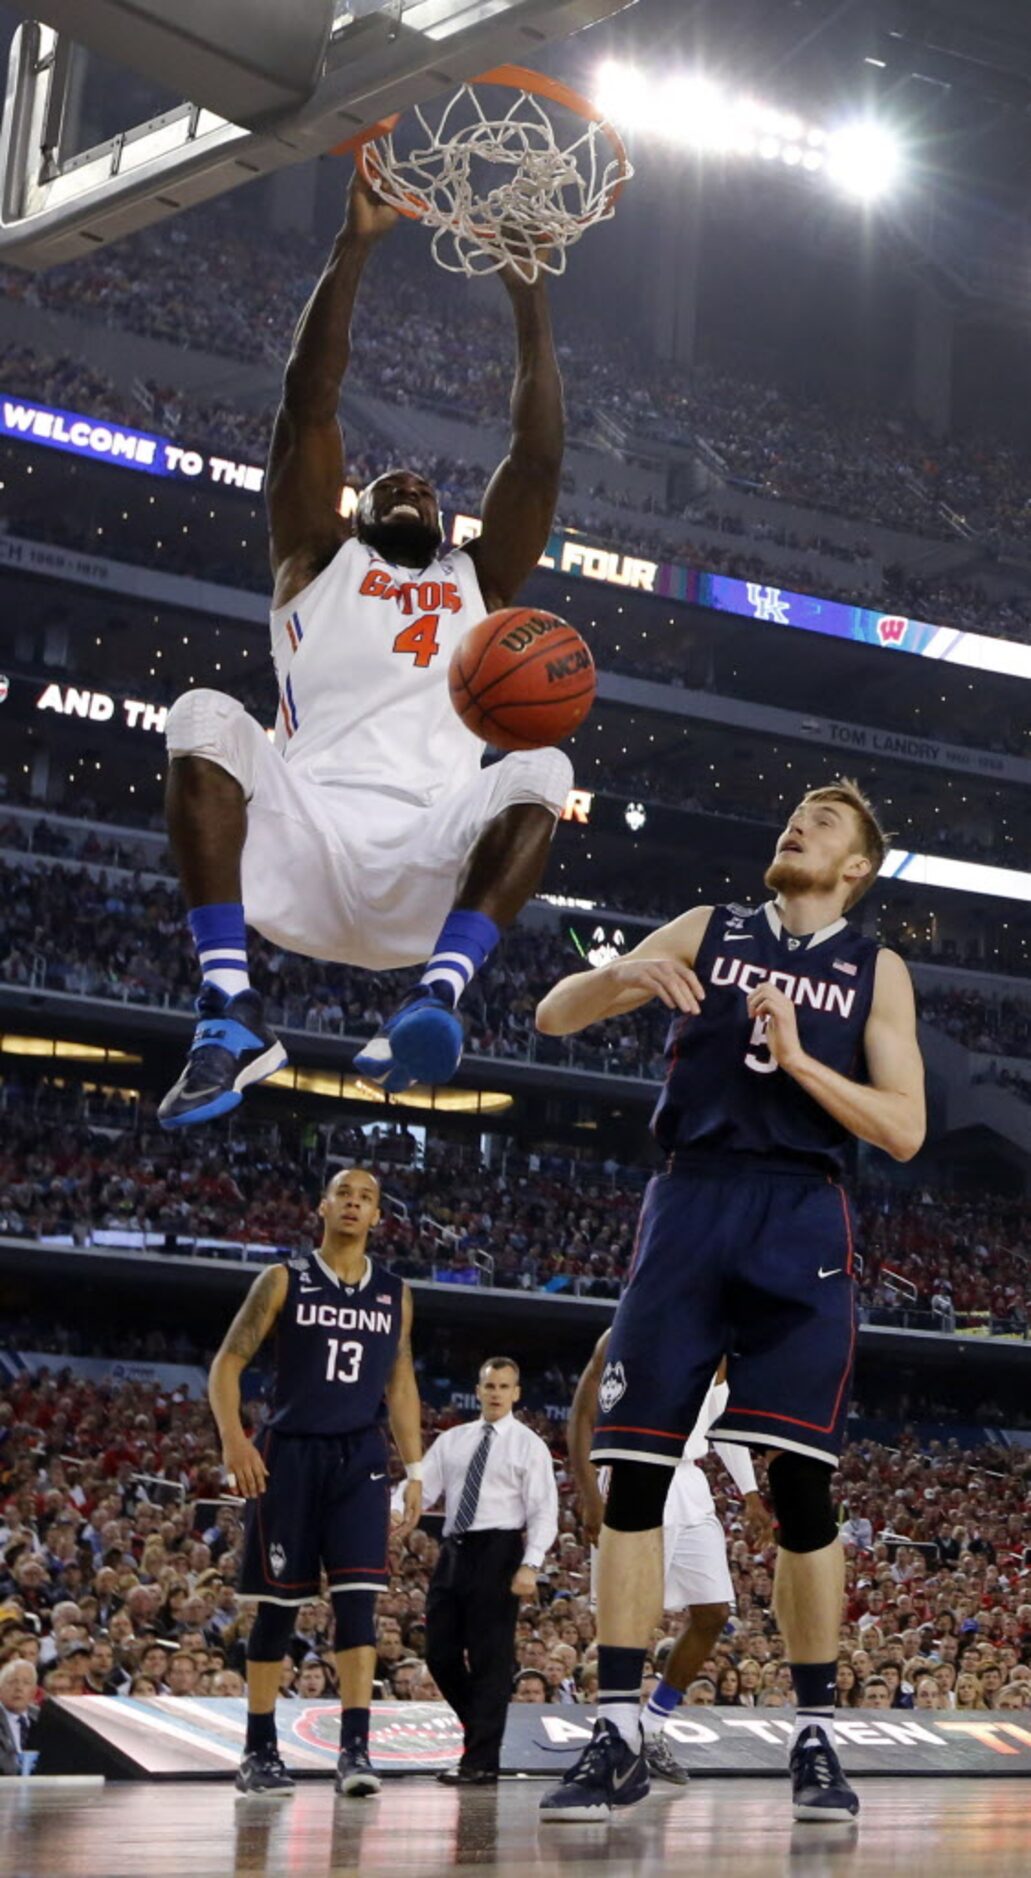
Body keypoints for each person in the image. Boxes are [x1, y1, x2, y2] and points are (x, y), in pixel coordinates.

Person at [536, 779, 925, 1825]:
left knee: (800, 1488)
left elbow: (901, 1129)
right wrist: (618, 971)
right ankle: (616, 1731)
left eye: (826, 820)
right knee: (634, 1477)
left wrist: (799, 1061)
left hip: (800, 1215)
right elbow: (552, 1012)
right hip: (690, 1201)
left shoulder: (875, 969)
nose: (796, 821)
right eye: (794, 810)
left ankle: (814, 1739)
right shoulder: (707, 929)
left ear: (855, 868)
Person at [158, 170, 571, 1128]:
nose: (411, 485)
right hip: (298, 839)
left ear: (447, 519)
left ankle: (437, 997)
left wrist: (527, 293)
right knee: (203, 716)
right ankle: (228, 1014)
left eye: (426, 487)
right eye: (388, 483)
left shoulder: (480, 583)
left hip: (429, 857)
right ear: (355, 508)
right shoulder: (313, 558)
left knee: (543, 764)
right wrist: (356, 246)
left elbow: (539, 457)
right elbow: (310, 406)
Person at [208, 1166, 423, 1797]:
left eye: (368, 1199)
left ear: (380, 1217)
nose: (355, 1205)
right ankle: (259, 1751)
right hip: (289, 1453)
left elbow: (401, 1382)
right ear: (322, 1207)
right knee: (278, 1608)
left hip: (361, 1457)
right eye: (345, 1195)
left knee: (360, 1604)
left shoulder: (395, 1292)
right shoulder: (283, 1279)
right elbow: (227, 1364)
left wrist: (415, 1469)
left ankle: (355, 1752)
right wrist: (235, 1439)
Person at [568, 1330, 773, 1789]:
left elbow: (722, 1424)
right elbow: (582, 1416)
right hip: (631, 1473)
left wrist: (751, 1493)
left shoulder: (716, 1347)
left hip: (690, 1485)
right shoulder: (622, 1335)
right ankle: (612, 1732)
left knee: (714, 1613)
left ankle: (653, 1725)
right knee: (627, 1621)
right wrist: (587, 1492)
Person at [407, 1357, 558, 1785]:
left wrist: (531, 1563)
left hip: (500, 1549)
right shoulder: (453, 1440)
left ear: (516, 1393)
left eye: (504, 1386)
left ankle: (480, 1761)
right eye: (489, 1386)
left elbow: (545, 1510)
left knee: (491, 1660)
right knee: (439, 1651)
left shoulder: (529, 1445)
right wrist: (399, 1510)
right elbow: (424, 1488)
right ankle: (481, 1733)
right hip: (454, 1548)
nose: (496, 1393)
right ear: (478, 1390)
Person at [0, 1661, 37, 1775]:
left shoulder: (43, 1719)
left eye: (26, 1683)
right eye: (12, 1682)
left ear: (33, 1692)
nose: (19, 1688)